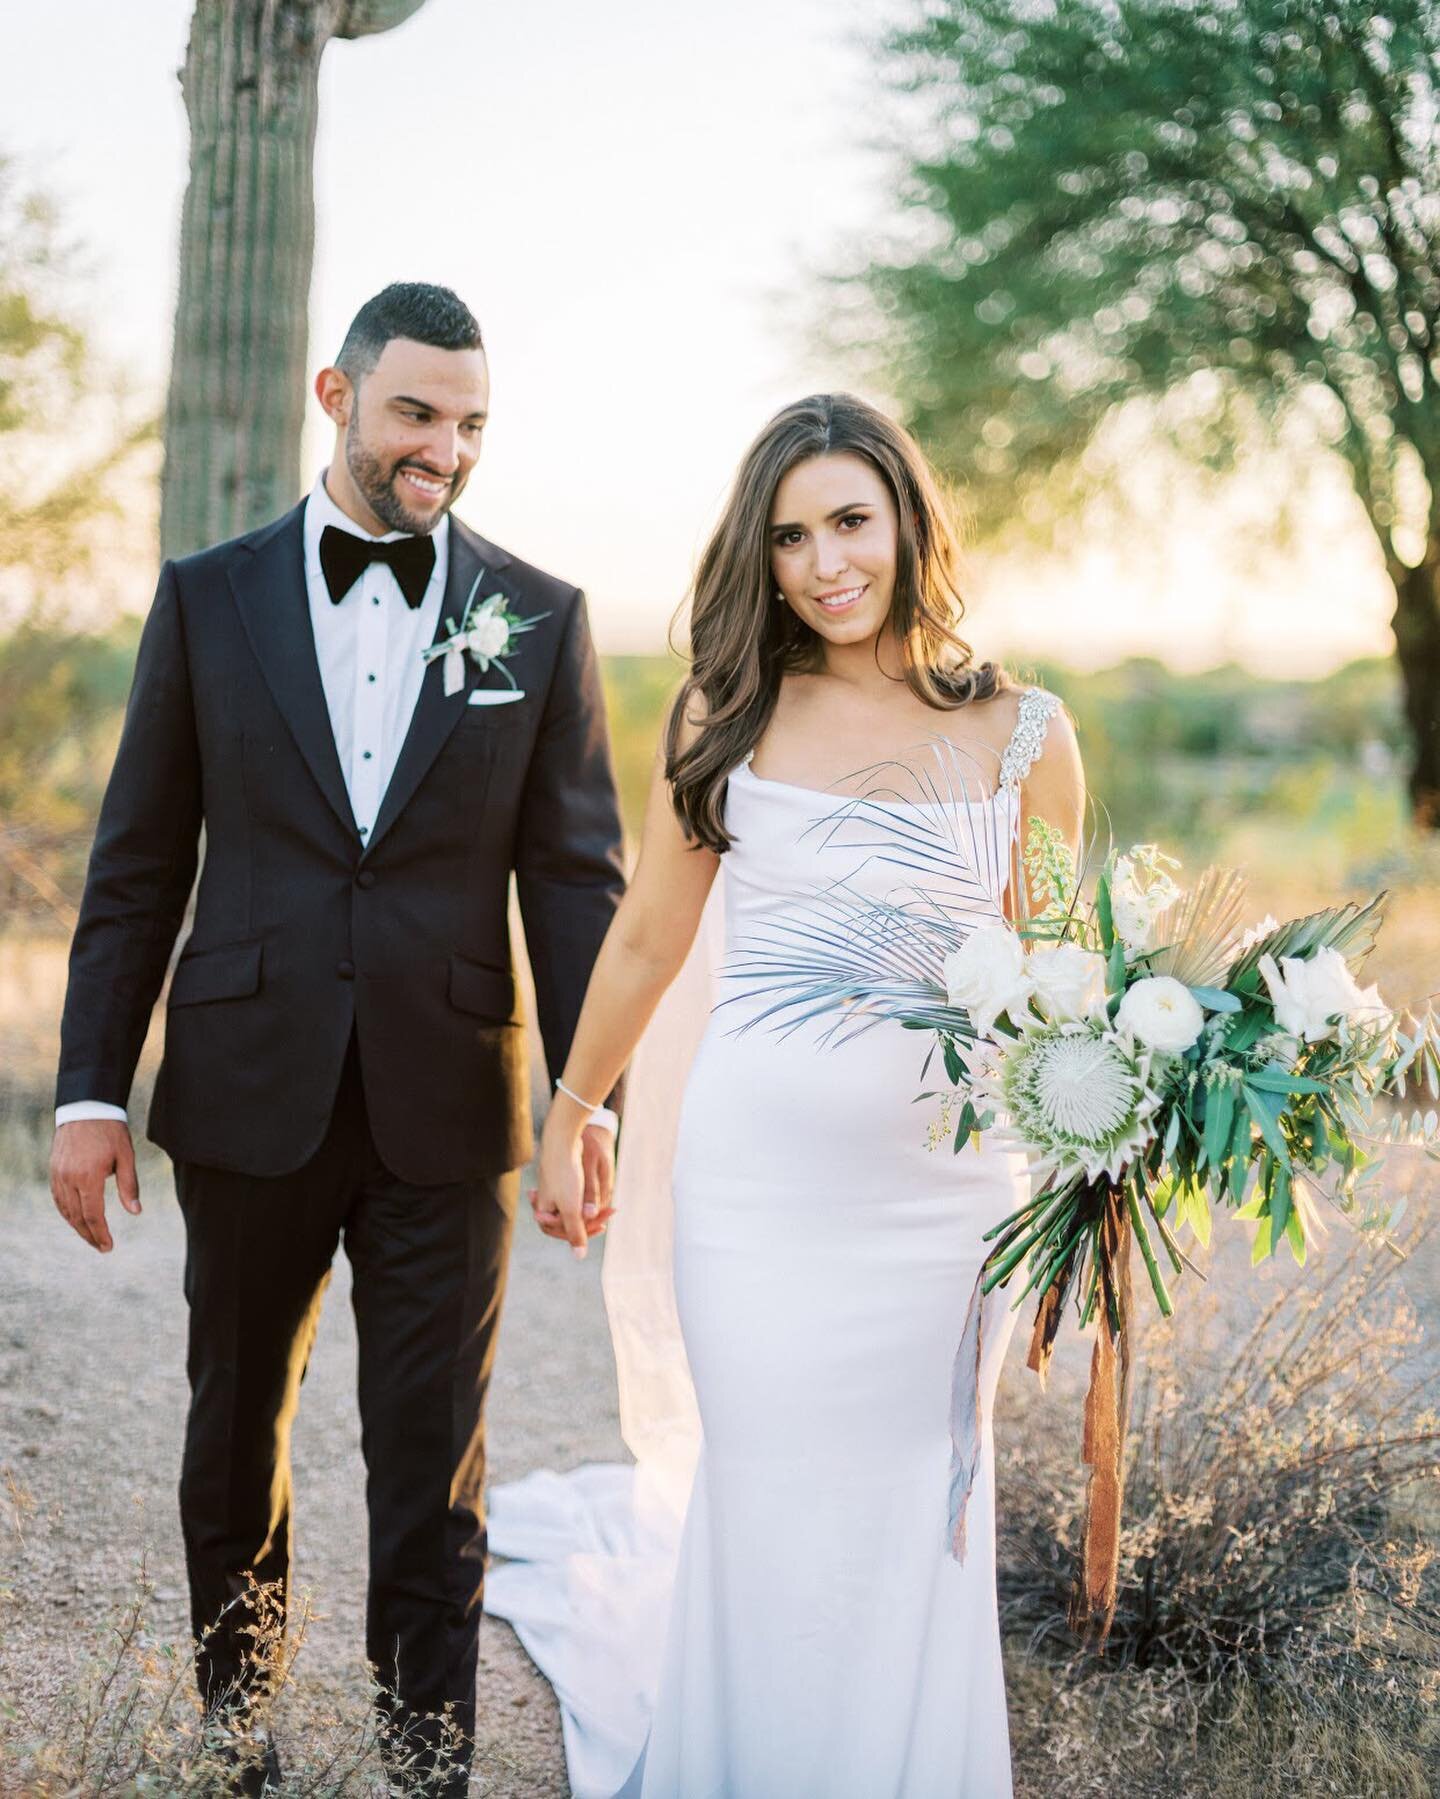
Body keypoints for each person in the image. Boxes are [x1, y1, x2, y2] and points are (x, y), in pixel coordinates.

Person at [48, 282, 626, 1795]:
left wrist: (590, 1099)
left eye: (471, 422)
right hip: (248, 1088)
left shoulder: (541, 617)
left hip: (452, 1105)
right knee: (235, 1434)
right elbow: (137, 859)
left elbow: (575, 879)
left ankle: (426, 1764)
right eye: (416, 413)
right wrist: (90, 1089)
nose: (444, 447)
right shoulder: (208, 596)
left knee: (432, 1470)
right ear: (336, 396)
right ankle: (238, 1746)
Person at [499, 391, 1085, 1797]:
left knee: (916, 1519)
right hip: (754, 1199)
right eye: (790, 536)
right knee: (767, 1497)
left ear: (906, 523)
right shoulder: (729, 714)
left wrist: (1095, 1177)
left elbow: (1067, 979)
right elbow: (649, 934)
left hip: (947, 1213)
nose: (826, 562)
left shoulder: (1027, 735)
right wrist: (573, 1108)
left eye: (849, 523)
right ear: (758, 558)